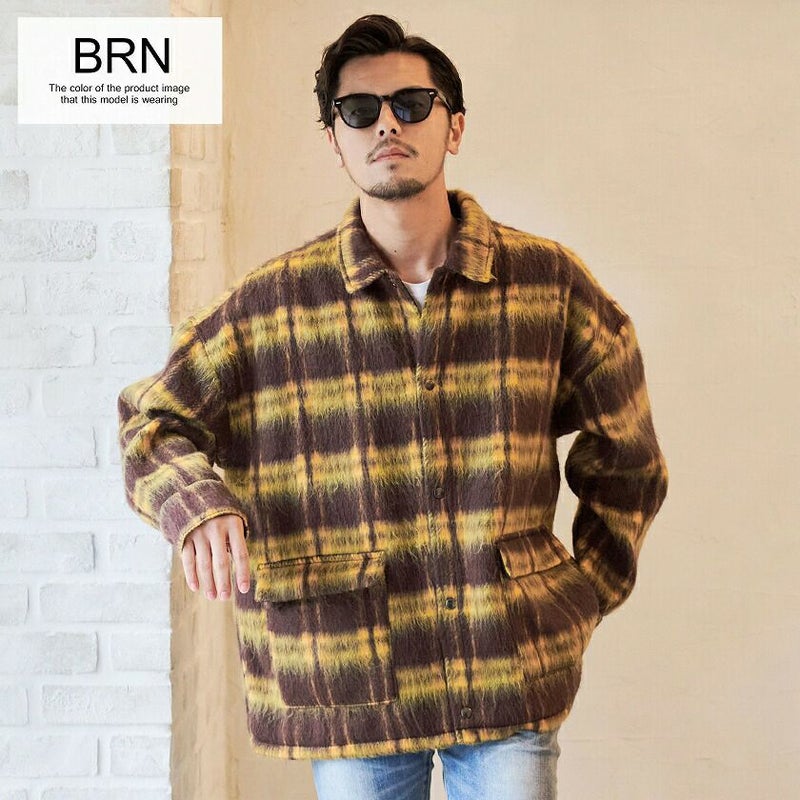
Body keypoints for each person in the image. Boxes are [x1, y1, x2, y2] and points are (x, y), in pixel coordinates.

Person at [118, 14, 668, 800]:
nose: (387, 125)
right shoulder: (272, 307)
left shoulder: (547, 285)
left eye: (412, 104)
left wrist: (577, 595)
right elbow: (150, 421)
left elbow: (628, 460)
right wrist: (197, 506)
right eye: (359, 110)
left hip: (506, 667)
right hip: (350, 683)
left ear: (455, 126)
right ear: (334, 140)